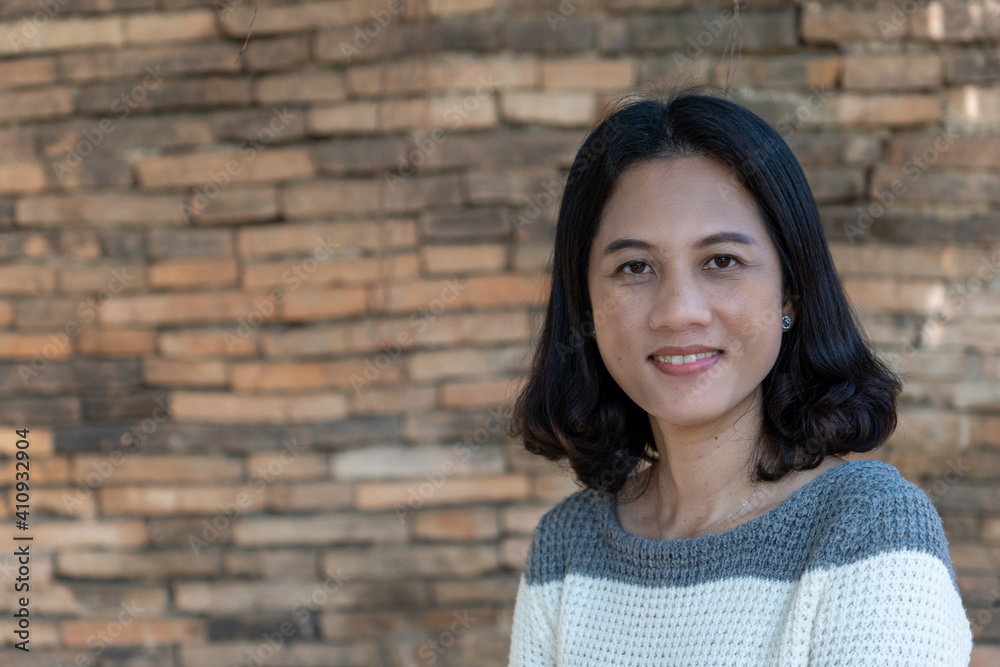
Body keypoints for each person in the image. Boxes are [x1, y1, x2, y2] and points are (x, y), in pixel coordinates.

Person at [504, 85, 974, 666]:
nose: (678, 310)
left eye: (721, 261)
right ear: (586, 308)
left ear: (791, 292)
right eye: (634, 267)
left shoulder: (869, 531)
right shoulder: (566, 549)